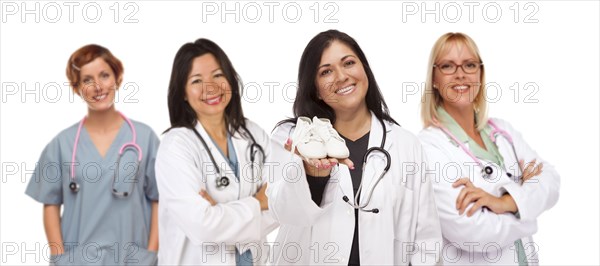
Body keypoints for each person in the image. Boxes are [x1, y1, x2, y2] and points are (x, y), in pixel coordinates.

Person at [267, 29, 442, 265]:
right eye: (326, 71)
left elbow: (426, 241)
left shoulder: (405, 144)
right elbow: (283, 212)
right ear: (314, 88)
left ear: (364, 70)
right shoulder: (291, 138)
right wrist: (312, 175)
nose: (341, 76)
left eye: (348, 63)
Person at [418, 32, 561, 265]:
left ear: (480, 74)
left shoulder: (503, 132)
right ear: (434, 77)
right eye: (448, 66)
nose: (461, 74)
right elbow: (470, 230)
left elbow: (551, 181)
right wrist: (527, 210)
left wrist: (505, 203)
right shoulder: (428, 147)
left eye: (470, 65)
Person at [25, 44, 159, 265]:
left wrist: (151, 253)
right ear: (77, 88)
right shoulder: (61, 144)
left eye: (104, 75)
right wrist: (59, 258)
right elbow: (50, 204)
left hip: (133, 260)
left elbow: (159, 199)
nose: (98, 86)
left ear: (117, 78)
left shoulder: (145, 138)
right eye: (87, 80)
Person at [155, 38, 278, 265]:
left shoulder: (253, 134)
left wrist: (221, 212)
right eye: (197, 80)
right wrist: (258, 202)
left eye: (218, 75)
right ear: (182, 92)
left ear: (230, 78)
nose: (210, 87)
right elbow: (203, 227)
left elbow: (282, 204)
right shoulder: (175, 147)